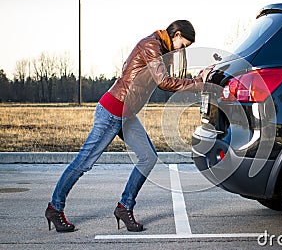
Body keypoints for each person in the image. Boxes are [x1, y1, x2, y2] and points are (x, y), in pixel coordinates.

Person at [45, 20, 211, 232]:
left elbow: (169, 79)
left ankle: (124, 207)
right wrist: (200, 84)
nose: (183, 50)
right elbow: (164, 82)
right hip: (113, 111)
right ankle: (54, 208)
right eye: (184, 44)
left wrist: (198, 79)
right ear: (176, 34)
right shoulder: (152, 46)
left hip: (126, 114)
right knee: (83, 162)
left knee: (148, 157)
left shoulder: (159, 48)